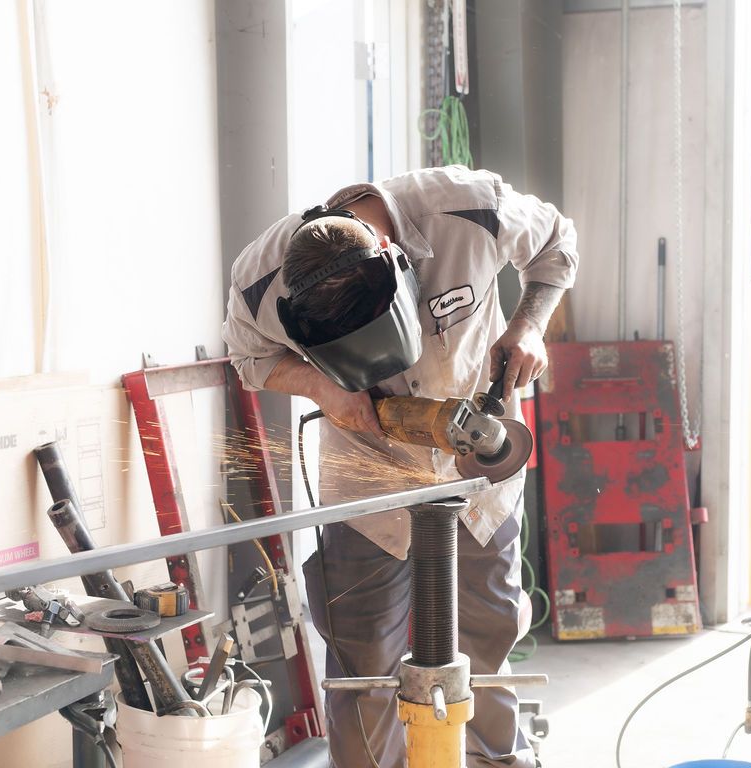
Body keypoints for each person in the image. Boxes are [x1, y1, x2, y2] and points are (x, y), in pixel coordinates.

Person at [223, 165, 578, 767]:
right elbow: (249, 359)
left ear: (391, 258)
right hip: (368, 462)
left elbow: (556, 243)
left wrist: (528, 327)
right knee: (362, 651)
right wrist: (321, 387)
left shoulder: (467, 208)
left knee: (487, 633)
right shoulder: (260, 280)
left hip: (477, 451)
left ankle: (494, 760)